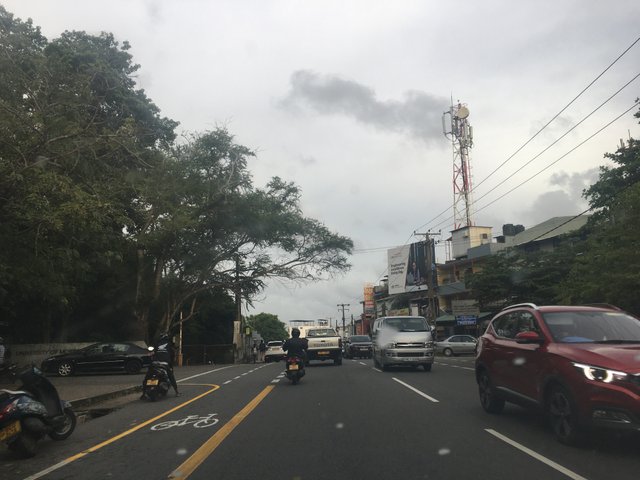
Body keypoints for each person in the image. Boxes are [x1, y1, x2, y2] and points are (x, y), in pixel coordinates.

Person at [142, 333, 180, 398]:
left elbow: (153, 352)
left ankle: (143, 394)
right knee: (171, 377)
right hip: (164, 363)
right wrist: (171, 362)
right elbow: (172, 355)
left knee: (147, 377)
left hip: (155, 363)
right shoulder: (169, 345)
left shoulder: (157, 344)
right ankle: (176, 392)